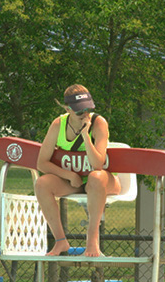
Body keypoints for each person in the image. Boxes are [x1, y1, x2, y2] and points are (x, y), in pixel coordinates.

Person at [35, 84, 120, 257]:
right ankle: (60, 241)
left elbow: (97, 164)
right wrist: (69, 175)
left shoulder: (98, 123)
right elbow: (41, 163)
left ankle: (92, 242)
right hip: (75, 180)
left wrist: (85, 136)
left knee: (96, 177)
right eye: (80, 111)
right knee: (42, 183)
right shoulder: (58, 124)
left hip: (102, 181)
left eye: (88, 109)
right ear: (67, 109)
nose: (85, 115)